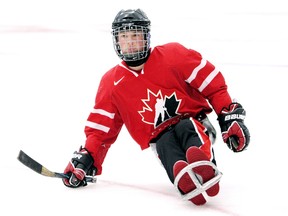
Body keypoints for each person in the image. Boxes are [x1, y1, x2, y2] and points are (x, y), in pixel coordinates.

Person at [62, 8, 250, 205]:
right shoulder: (111, 83)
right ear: (116, 41)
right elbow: (101, 131)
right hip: (158, 138)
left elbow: (213, 85)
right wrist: (88, 159)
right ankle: (182, 177)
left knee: (186, 127)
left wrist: (229, 116)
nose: (131, 42)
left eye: (136, 35)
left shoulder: (174, 55)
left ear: (147, 37)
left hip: (196, 123)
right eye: (124, 37)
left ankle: (203, 163)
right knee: (165, 145)